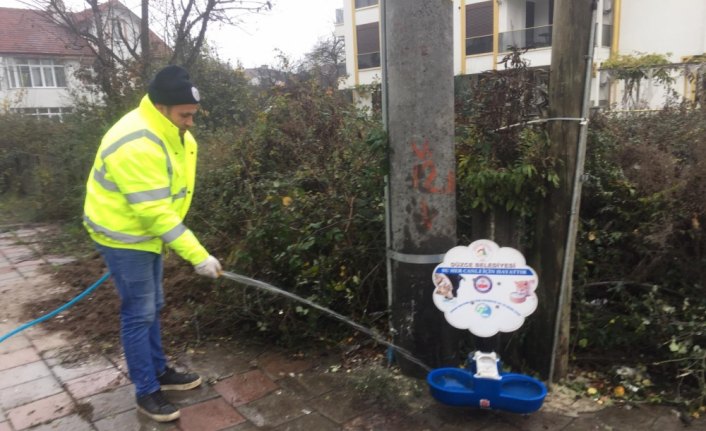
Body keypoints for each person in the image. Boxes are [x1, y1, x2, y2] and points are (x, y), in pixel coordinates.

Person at [83, 65, 222, 422]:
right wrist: (198, 256)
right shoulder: (137, 142)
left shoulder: (172, 131)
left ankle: (160, 372)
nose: (191, 121)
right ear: (162, 107)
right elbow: (156, 212)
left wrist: (186, 247)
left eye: (193, 114)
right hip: (123, 234)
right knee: (138, 312)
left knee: (153, 304)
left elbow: (165, 204)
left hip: (147, 231)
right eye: (185, 114)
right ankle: (146, 392)